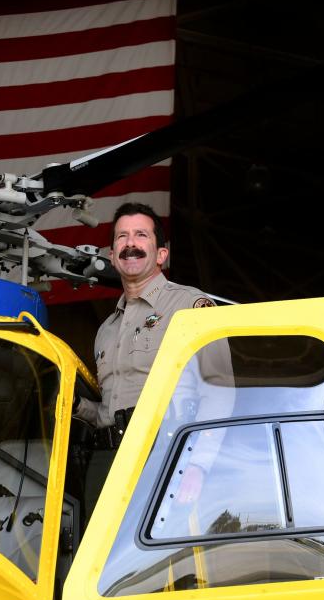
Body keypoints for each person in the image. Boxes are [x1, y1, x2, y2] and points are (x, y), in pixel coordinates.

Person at [73, 202, 233, 506]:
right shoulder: (105, 330)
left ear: (162, 254)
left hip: (163, 454)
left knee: (164, 555)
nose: (130, 243)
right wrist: (76, 405)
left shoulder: (189, 305)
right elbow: (109, 411)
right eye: (121, 237)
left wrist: (198, 464)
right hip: (106, 461)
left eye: (140, 235)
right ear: (111, 256)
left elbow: (219, 388)